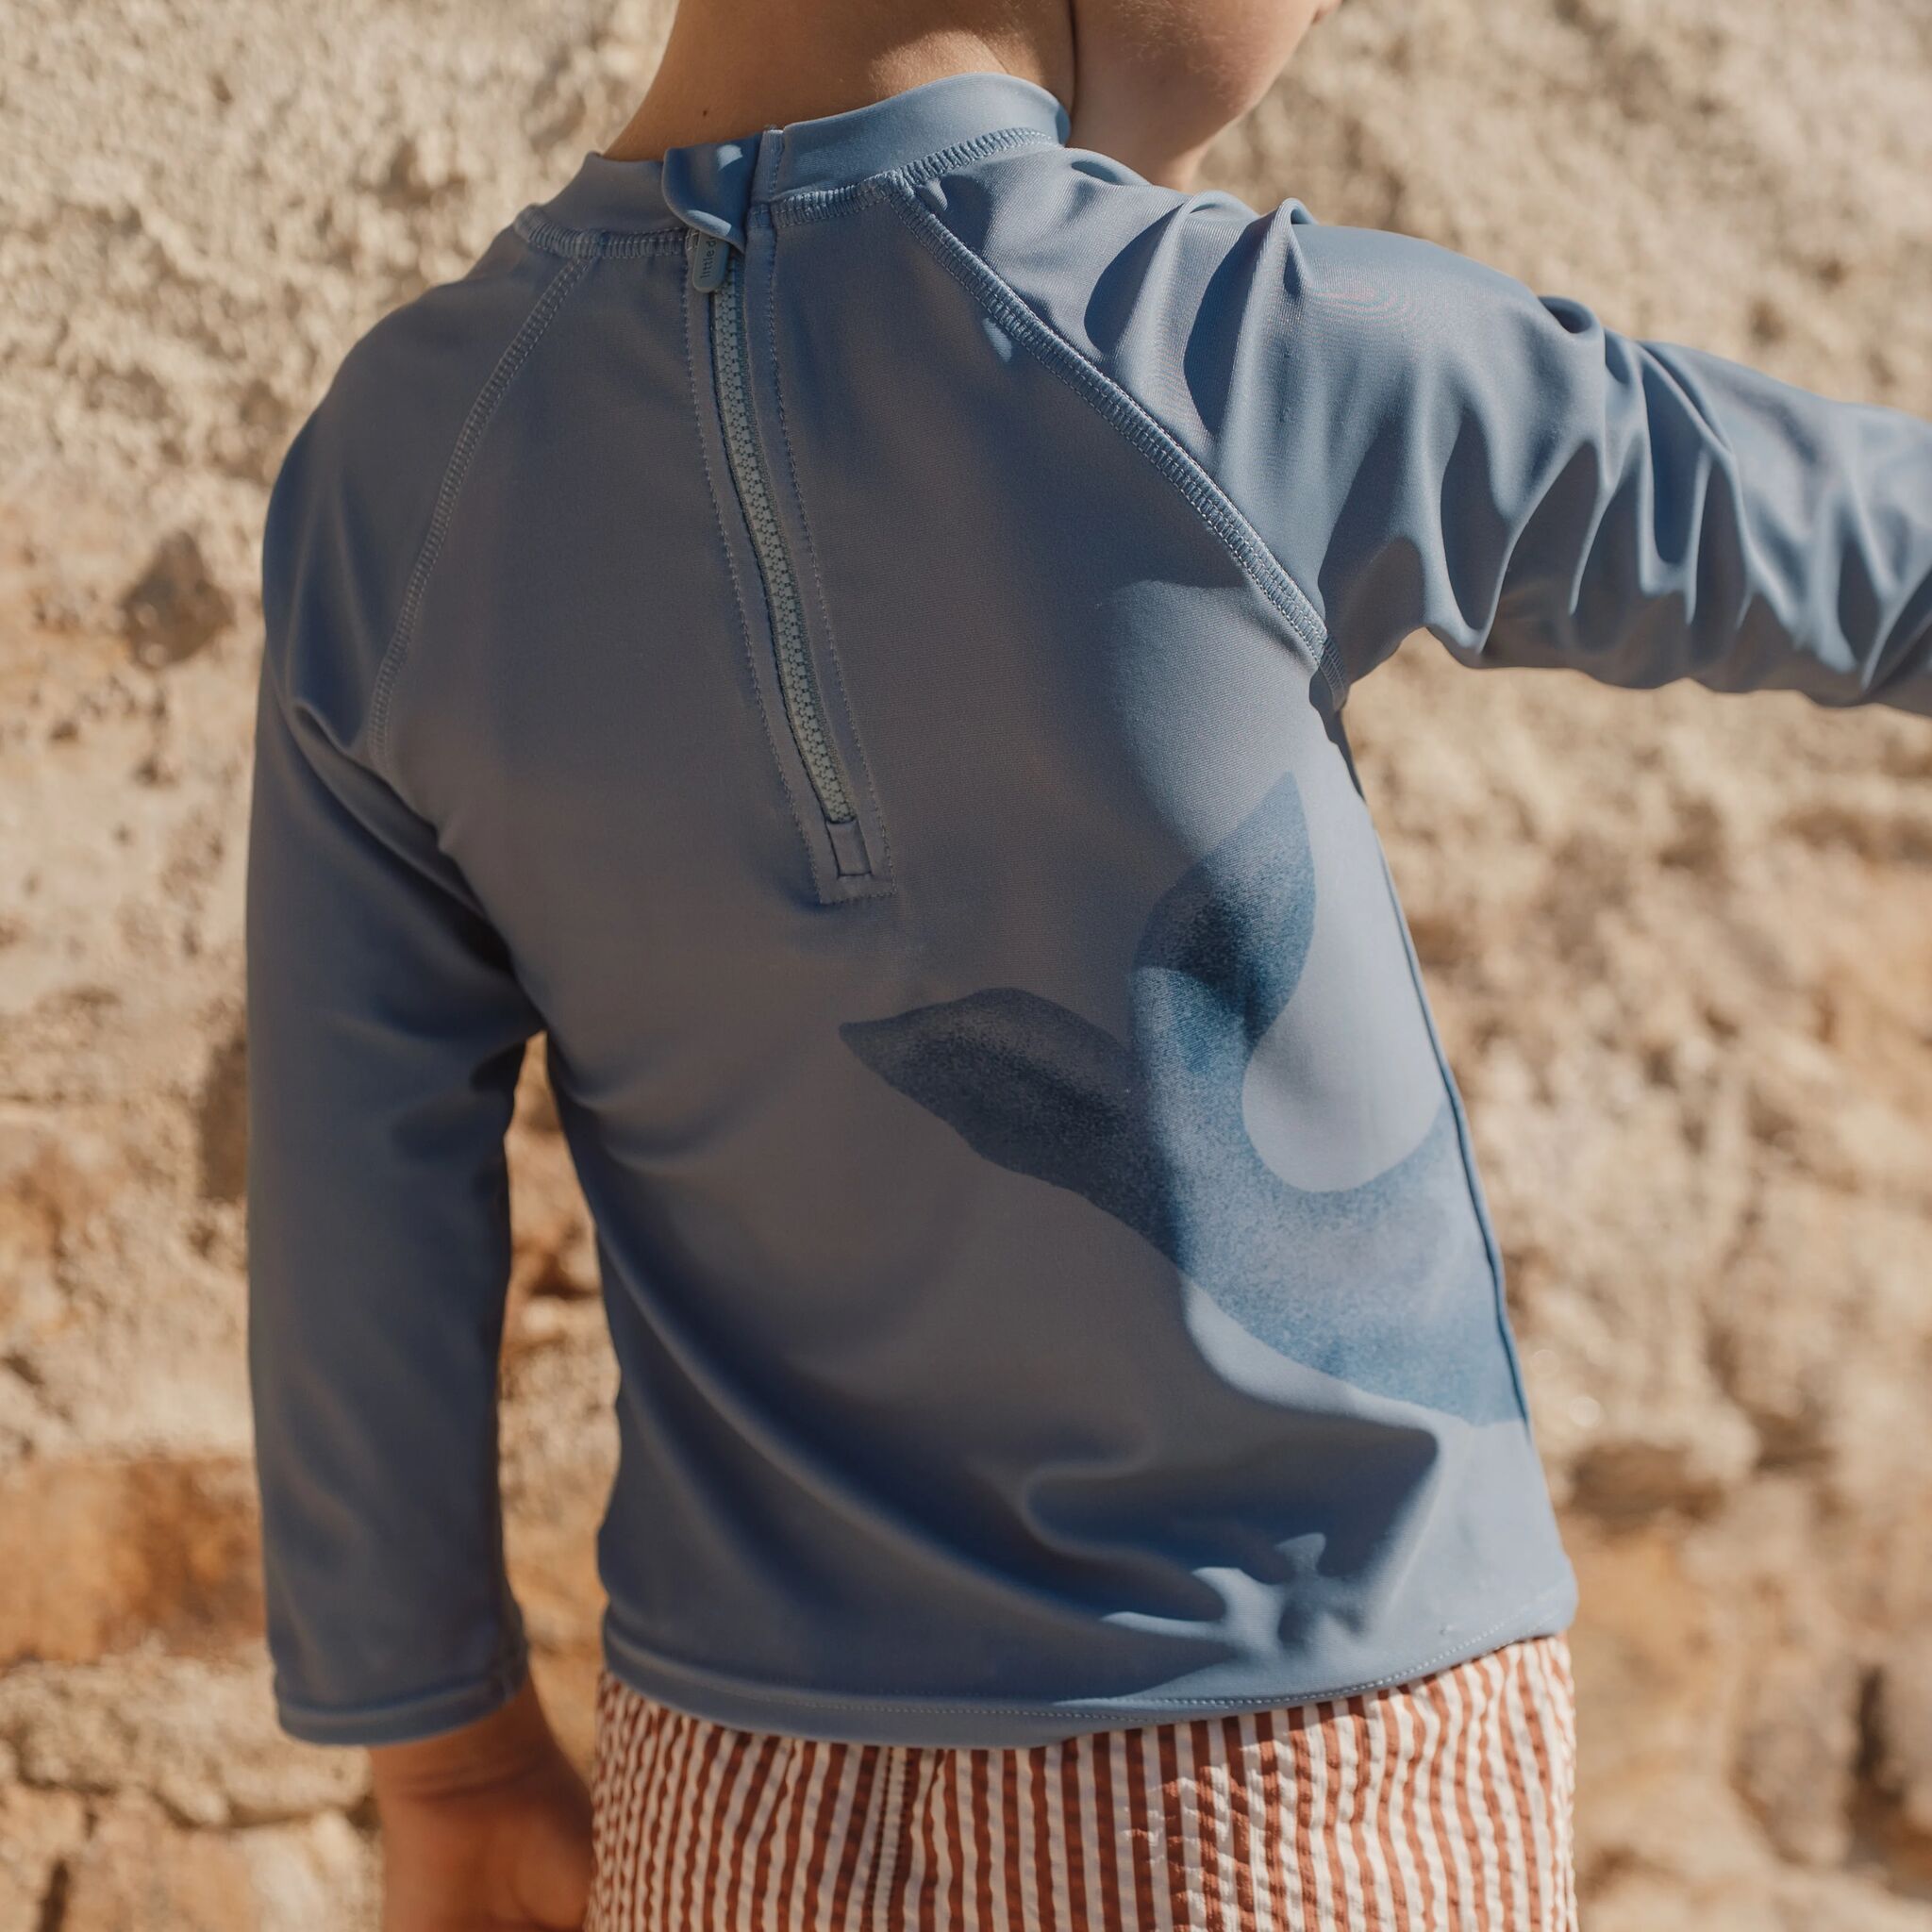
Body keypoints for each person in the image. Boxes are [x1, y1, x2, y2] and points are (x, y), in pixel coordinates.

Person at [242, 0, 1932, 1922]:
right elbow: (1860, 548)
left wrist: (450, 1760)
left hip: (745, 1794)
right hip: (1314, 1783)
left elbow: (353, 1181)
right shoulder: (1243, 344)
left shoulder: (398, 470)